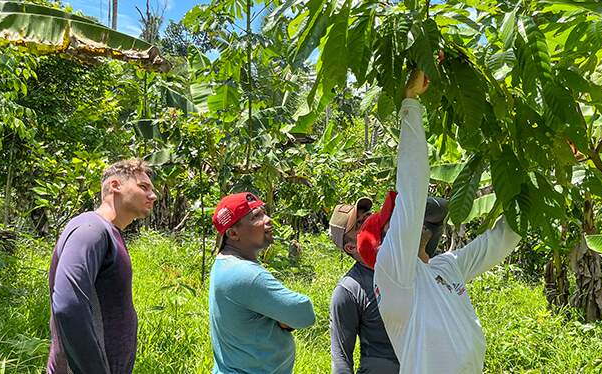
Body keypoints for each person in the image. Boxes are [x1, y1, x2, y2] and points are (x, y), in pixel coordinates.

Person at [371, 70, 522, 373]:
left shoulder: (446, 266)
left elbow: (503, 239)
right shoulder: (393, 273)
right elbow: (413, 188)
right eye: (403, 220)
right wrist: (410, 102)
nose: (418, 221)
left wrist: (547, 173)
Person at [48, 158, 158, 374]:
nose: (153, 195)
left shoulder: (109, 232)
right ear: (115, 186)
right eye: (143, 187)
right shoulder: (91, 229)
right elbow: (68, 304)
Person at [208, 192, 315, 374]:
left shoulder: (224, 263)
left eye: (264, 212)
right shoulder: (246, 274)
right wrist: (284, 319)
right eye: (256, 217)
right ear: (233, 233)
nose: (268, 220)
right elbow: (304, 313)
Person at [328, 197, 401, 374]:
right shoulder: (349, 290)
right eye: (361, 223)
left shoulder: (408, 263)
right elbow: (341, 358)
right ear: (351, 247)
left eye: (370, 215)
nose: (372, 221)